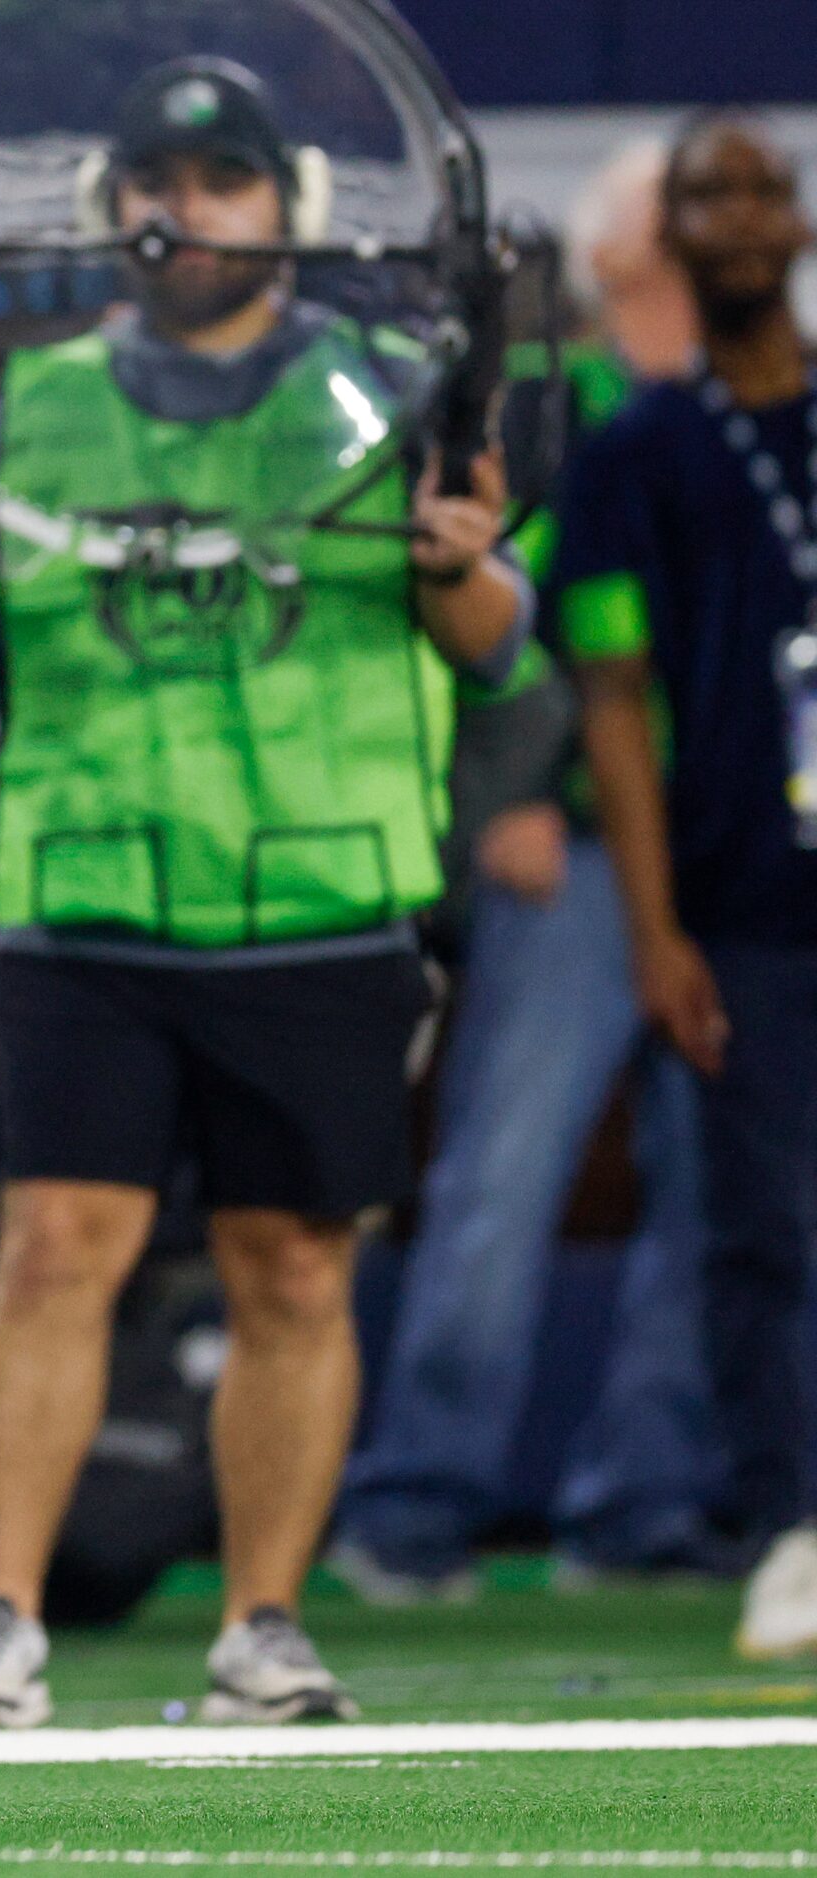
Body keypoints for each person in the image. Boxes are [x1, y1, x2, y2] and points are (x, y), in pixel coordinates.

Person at [0, 57, 528, 1726]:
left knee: (294, 1268)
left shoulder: (392, 387)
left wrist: (463, 566)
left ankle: (263, 1628)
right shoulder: (39, 399)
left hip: (323, 896)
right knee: (57, 1244)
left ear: (290, 212)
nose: (182, 208)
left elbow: (502, 650)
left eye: (220, 180)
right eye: (158, 179)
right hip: (92, 890)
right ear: (112, 208)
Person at [330, 139, 723, 1603]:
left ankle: (644, 1500)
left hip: (731, 858)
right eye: (679, 213)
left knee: (723, 1201)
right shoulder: (558, 408)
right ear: (620, 255)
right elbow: (489, 609)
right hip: (574, 851)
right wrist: (505, 792)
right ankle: (415, 1507)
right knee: (502, 1178)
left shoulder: (772, 410)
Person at [562, 114, 817, 1661]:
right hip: (743, 896)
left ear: (794, 225)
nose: (730, 218)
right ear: (665, 238)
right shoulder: (631, 456)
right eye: (699, 195)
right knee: (760, 1225)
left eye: (756, 190)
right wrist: (652, 925)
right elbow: (606, 690)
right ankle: (793, 1520)